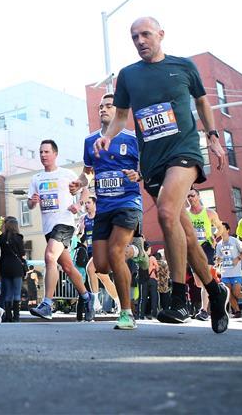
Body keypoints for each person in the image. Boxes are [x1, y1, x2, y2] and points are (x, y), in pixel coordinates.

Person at [93, 16, 229, 334]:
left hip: (183, 151)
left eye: (145, 34)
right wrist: (108, 137)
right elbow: (122, 115)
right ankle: (215, 291)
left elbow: (202, 101)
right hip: (152, 162)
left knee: (166, 213)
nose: (140, 41)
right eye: (134, 37)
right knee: (185, 235)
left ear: (161, 35)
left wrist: (212, 136)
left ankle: (179, 298)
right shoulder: (128, 75)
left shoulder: (183, 67)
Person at [72, 93, 143, 330]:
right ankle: (135, 250)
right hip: (104, 207)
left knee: (115, 252)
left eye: (109, 106)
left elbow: (146, 167)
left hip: (127, 203)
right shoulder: (90, 141)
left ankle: (126, 313)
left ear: (119, 111)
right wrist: (79, 182)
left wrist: (138, 174)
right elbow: (87, 173)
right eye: (101, 106)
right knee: (101, 266)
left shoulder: (132, 139)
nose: (103, 109)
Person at [27, 139, 91, 321]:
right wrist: (33, 201)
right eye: (41, 152)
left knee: (49, 257)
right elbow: (30, 204)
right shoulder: (36, 178)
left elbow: (85, 189)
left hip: (65, 223)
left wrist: (79, 204)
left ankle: (47, 304)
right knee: (68, 267)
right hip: (48, 227)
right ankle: (87, 297)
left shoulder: (67, 174)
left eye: (46, 151)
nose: (43, 155)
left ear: (55, 154)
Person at [74, 196, 121, 319]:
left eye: (89, 202)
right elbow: (79, 239)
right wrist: (80, 230)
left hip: (103, 250)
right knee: (104, 279)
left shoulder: (101, 216)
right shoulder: (83, 218)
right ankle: (119, 302)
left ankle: (95, 302)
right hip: (91, 252)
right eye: (85, 203)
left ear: (95, 204)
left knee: (90, 269)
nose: (86, 205)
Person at [186, 187, 223, 321]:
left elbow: (220, 227)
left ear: (199, 196)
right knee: (198, 283)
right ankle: (218, 289)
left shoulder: (209, 213)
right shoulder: (185, 214)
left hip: (206, 246)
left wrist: (215, 236)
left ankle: (204, 310)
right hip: (192, 248)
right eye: (188, 196)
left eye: (193, 195)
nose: (191, 198)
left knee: (205, 277)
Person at [0, 216, 26, 322]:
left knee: (8, 293)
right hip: (17, 267)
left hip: (5, 266)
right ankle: (16, 317)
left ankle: (8, 316)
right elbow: (22, 253)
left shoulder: (1, 238)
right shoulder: (19, 238)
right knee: (17, 293)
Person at [215, 222, 242, 317]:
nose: (220, 230)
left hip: (236, 272)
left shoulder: (235, 241)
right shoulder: (219, 244)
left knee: (236, 293)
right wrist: (217, 261)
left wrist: (238, 258)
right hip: (225, 273)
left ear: (228, 230)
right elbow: (219, 257)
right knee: (228, 294)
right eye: (219, 228)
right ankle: (237, 311)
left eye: (222, 228)